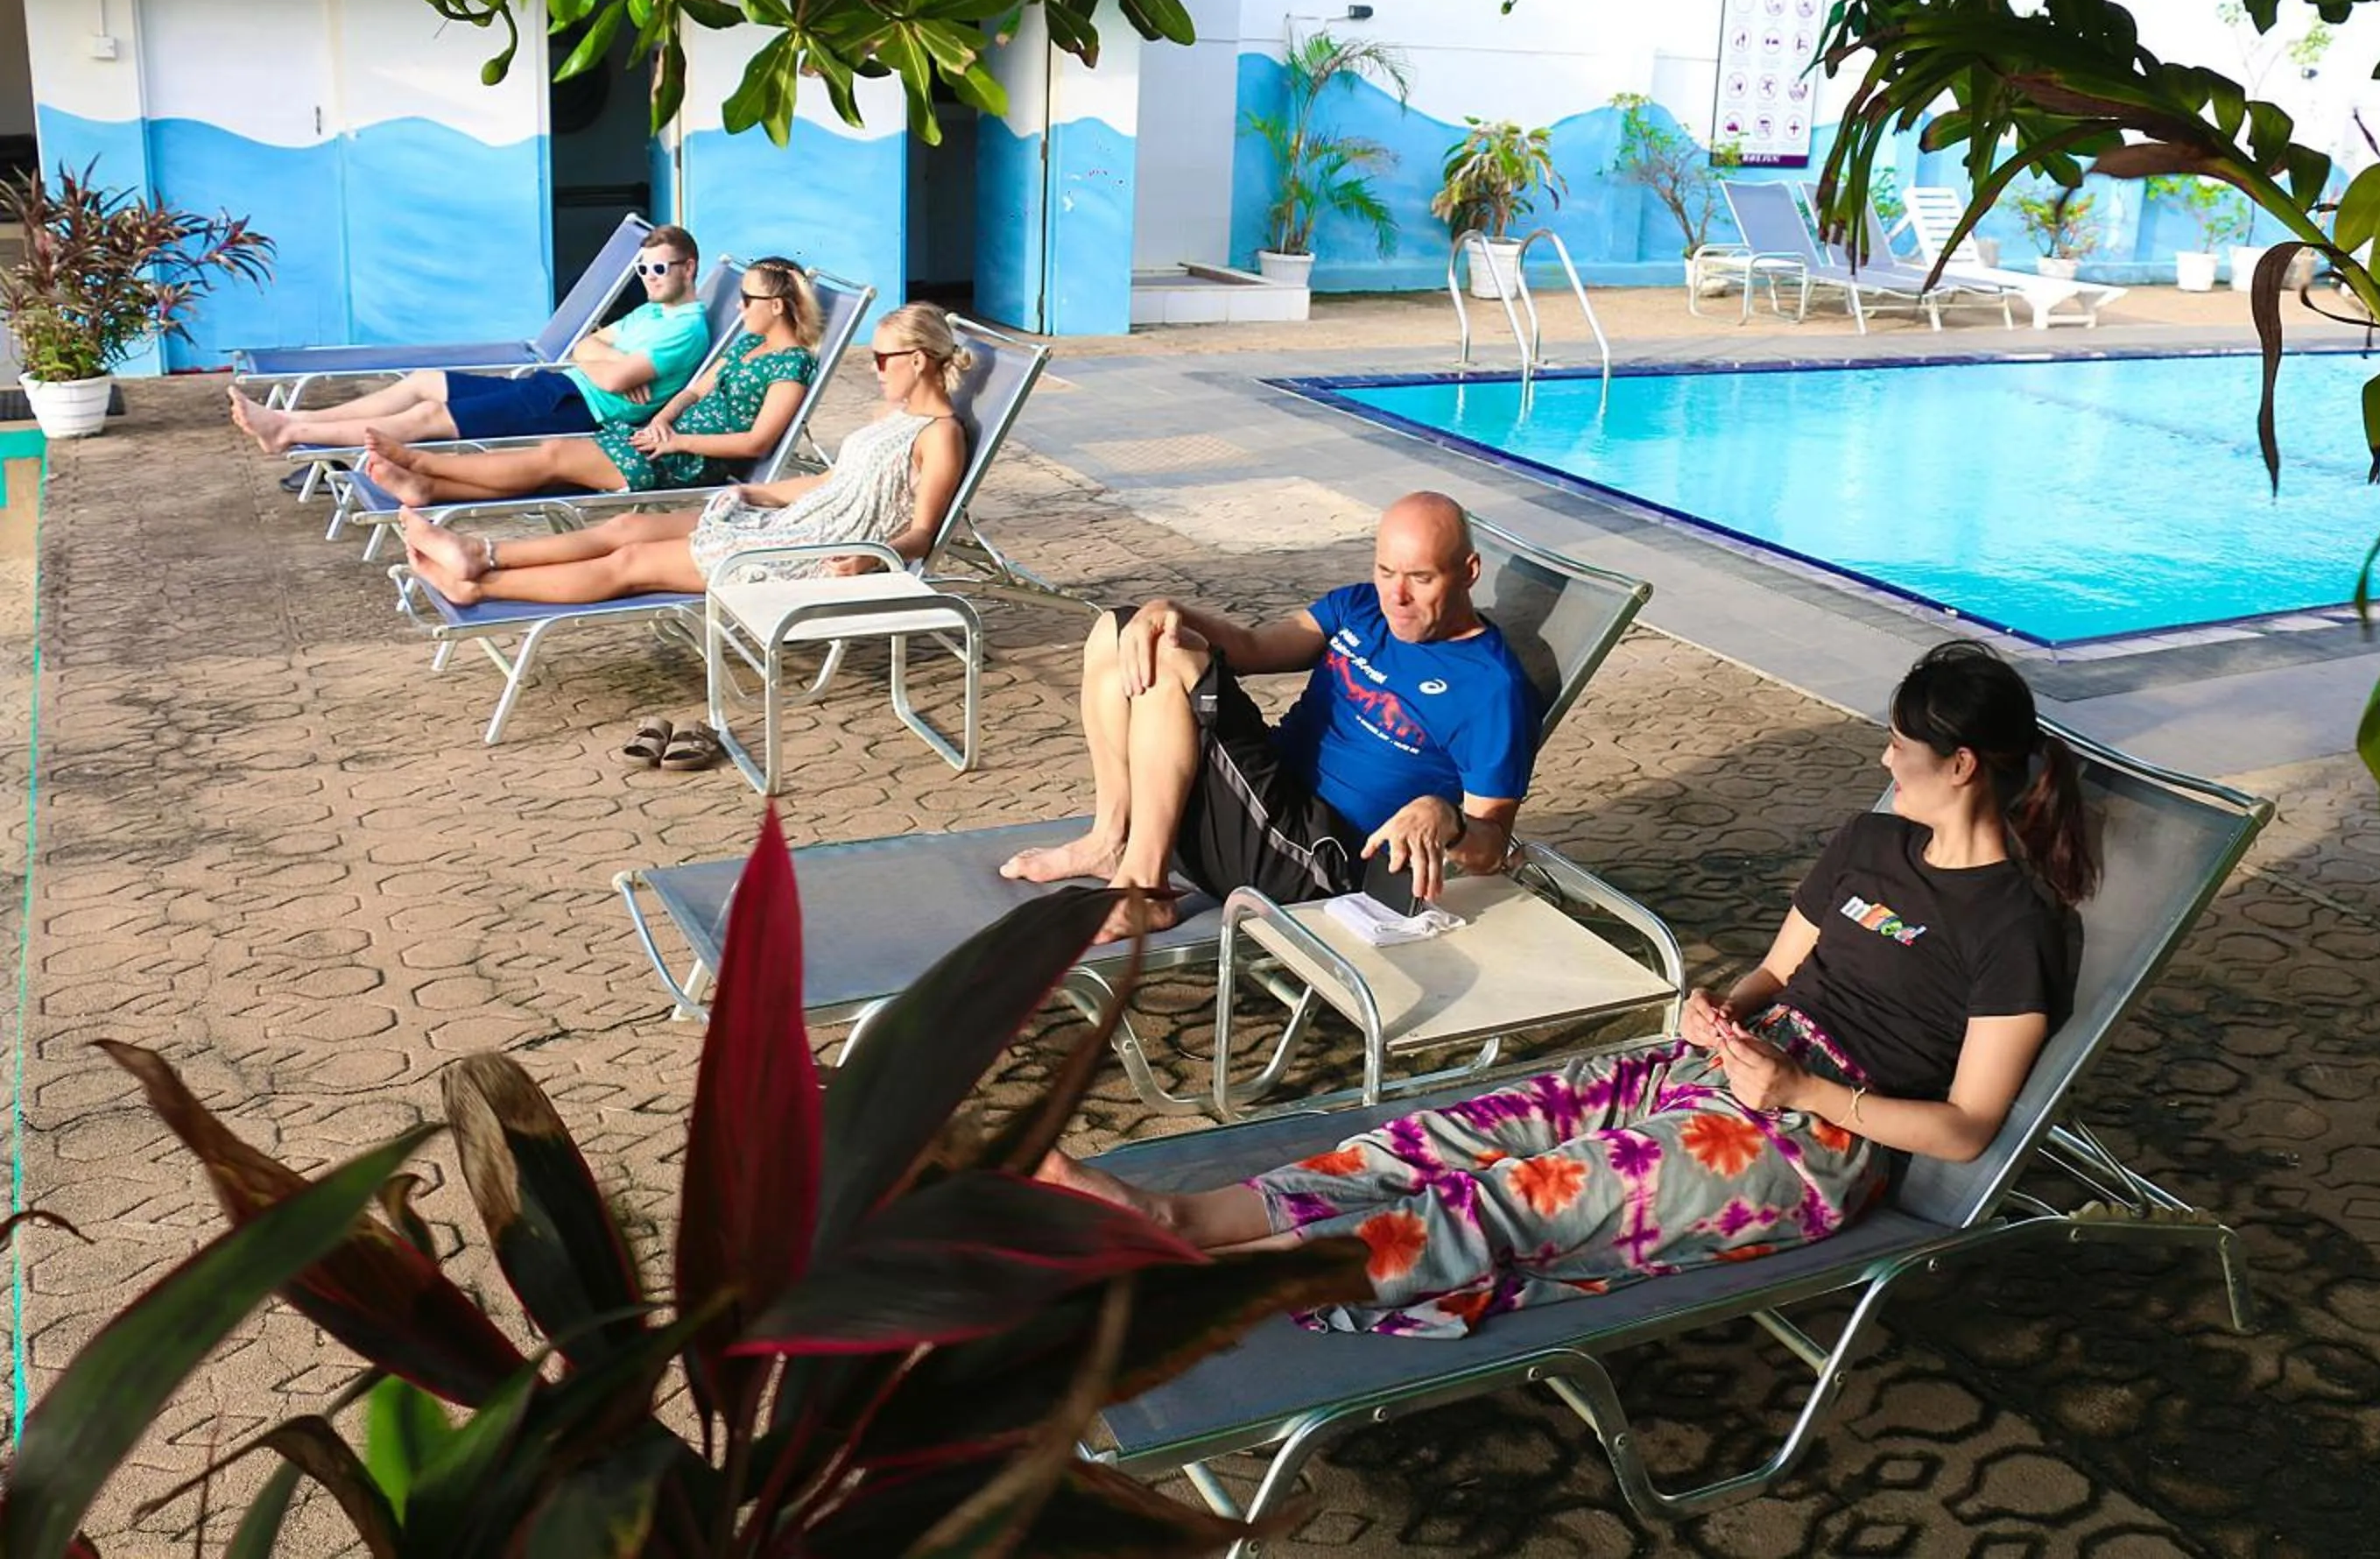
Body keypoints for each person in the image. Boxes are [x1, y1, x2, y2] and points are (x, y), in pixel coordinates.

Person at [1039, 640, 2099, 1338]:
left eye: (1904, 746)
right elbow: (1779, 970)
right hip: (1729, 1064)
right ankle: (1173, 1210)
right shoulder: (1871, 838)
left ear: (1961, 766)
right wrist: (1717, 1006)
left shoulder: (2017, 924)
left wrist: (1797, 1093)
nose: (1884, 756)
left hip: (1815, 1140)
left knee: (1516, 1193)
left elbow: (1964, 1129)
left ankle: (1217, 1278)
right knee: (1451, 1133)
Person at [999, 492, 1542, 943]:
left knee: (1170, 666)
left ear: (1469, 572)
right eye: (1385, 571)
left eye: (1420, 579)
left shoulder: (1493, 689)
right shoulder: (1359, 606)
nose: (1396, 596)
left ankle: (1145, 890)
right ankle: (1110, 840)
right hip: (1263, 804)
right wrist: (1170, 609)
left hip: (1319, 861)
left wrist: (1444, 817)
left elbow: (1490, 851)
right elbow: (1253, 648)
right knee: (1121, 630)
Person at [396, 301, 969, 608]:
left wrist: (870, 556)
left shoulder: (939, 434)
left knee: (632, 568)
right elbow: (838, 482)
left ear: (918, 360)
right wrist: (759, 492)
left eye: (883, 358)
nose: (874, 368)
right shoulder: (891, 417)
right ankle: (483, 551)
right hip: (793, 520)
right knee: (626, 526)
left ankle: (479, 583)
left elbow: (922, 531)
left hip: (819, 552)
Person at [358, 257, 822, 505]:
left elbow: (756, 444)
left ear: (777, 307)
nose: (740, 307)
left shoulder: (790, 365)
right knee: (549, 468)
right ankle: (427, 488)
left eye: (748, 299)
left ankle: (419, 463)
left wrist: (678, 442)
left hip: (687, 460)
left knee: (554, 457)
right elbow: (695, 390)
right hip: (661, 439)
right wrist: (663, 420)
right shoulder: (747, 346)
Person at [229, 225, 714, 451]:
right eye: (643, 268)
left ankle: (290, 433)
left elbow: (611, 380)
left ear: (688, 268)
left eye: (659, 268)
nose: (648, 276)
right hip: (559, 388)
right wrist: (600, 356)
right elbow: (585, 346)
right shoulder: (651, 311)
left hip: (577, 409)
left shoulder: (686, 327)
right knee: (425, 382)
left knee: (427, 417)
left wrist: (604, 360)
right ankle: (296, 416)